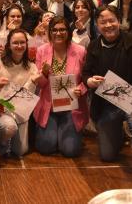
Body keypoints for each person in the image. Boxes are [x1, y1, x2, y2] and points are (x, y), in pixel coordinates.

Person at [82, 5, 132, 172]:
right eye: (103, 22)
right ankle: (119, 135)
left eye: (112, 21)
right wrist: (89, 81)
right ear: (97, 25)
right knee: (107, 155)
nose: (108, 25)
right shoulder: (94, 46)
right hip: (107, 102)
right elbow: (86, 72)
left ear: (119, 21)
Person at [33, 17, 88, 158]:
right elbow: (41, 85)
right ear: (50, 32)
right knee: (45, 148)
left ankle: (65, 134)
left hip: (71, 107)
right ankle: (57, 134)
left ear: (68, 31)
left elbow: (87, 79)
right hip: (49, 107)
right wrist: (43, 74)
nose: (58, 33)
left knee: (71, 151)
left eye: (62, 29)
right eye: (55, 30)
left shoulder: (80, 51)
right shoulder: (42, 51)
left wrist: (80, 89)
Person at [0, 29, 39, 157]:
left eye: (22, 42)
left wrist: (32, 82)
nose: (19, 46)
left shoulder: (32, 67)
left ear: (27, 44)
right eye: (15, 43)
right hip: (1, 109)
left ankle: (11, 139)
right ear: (9, 45)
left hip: (21, 112)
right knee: (9, 128)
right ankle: (1, 145)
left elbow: (29, 98)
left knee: (21, 151)